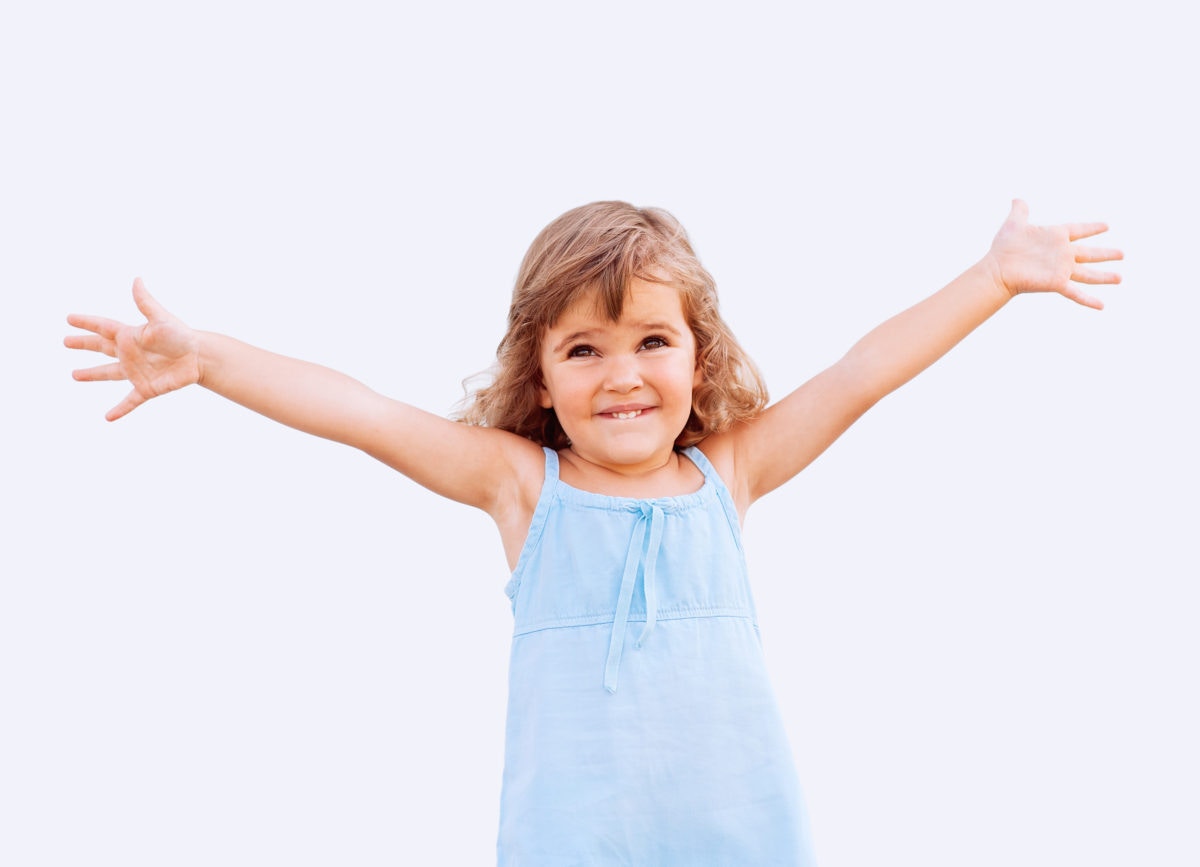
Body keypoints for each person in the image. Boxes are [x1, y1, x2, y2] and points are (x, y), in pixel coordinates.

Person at [66, 199, 1122, 865]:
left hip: (741, 840)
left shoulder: (731, 474)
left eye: (652, 340)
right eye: (584, 350)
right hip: (574, 844)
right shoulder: (526, 488)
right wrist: (209, 360)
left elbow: (860, 373)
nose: (622, 375)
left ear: (697, 362)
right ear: (540, 376)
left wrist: (991, 280)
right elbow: (362, 411)